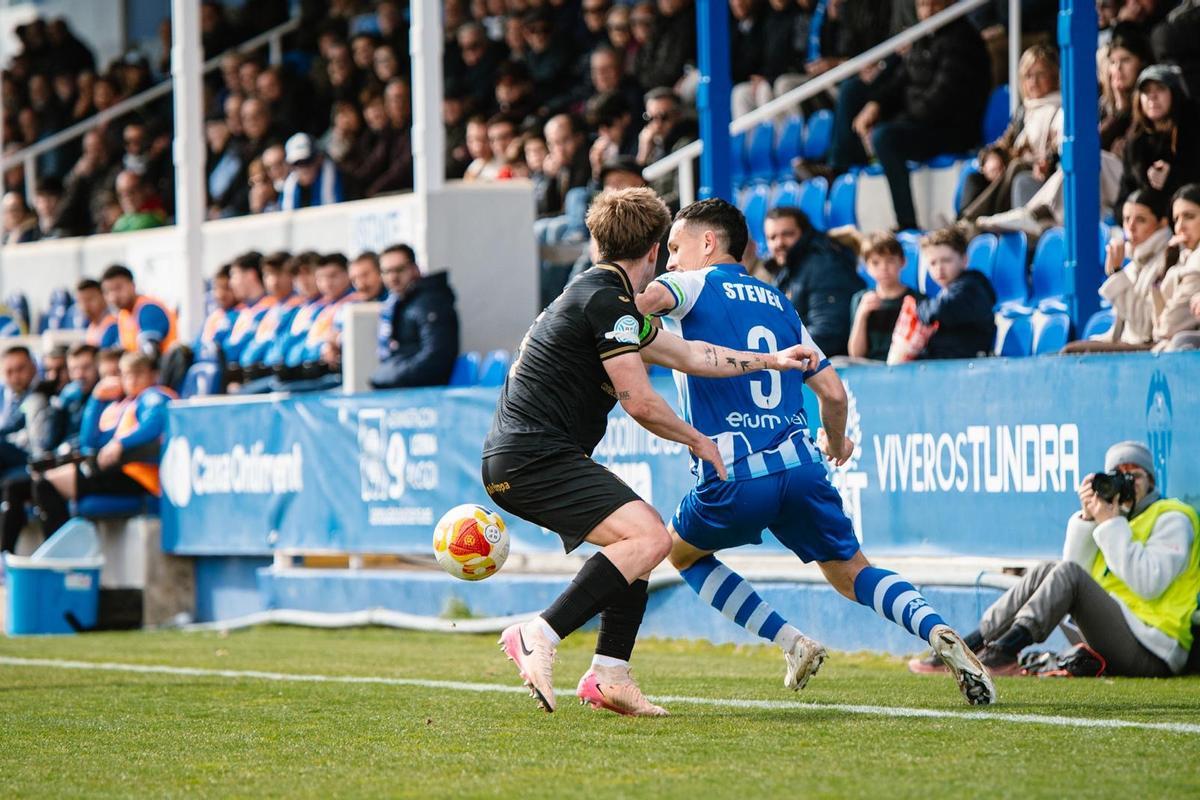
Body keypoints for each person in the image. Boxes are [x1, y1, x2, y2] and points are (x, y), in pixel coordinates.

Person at [634, 198, 995, 706]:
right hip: (802, 468)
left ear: (708, 243)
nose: (670, 260)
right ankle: (936, 630)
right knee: (853, 574)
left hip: (734, 474)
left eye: (676, 247)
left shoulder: (688, 285)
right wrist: (836, 440)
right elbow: (834, 393)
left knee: (679, 552)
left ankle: (791, 641)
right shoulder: (780, 304)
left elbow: (631, 311)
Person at [485, 187, 816, 717]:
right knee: (650, 536)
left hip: (526, 457)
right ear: (657, 250)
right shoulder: (604, 297)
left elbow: (688, 353)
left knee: (638, 540)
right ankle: (539, 633)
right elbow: (637, 399)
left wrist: (770, 360)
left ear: (597, 243)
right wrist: (697, 438)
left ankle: (610, 675)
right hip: (533, 456)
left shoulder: (604, 295)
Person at [910, 441, 1198, 678]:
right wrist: (1087, 519)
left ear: (1151, 481)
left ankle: (1007, 650)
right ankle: (969, 645)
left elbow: (1148, 584)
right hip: (1120, 636)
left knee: (1067, 574)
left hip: (1154, 650)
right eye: (1117, 476)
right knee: (1050, 569)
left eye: (1135, 475)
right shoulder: (1114, 520)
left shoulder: (1172, 518)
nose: (1127, 483)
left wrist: (1109, 524)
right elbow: (1070, 575)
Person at [831, 0, 991, 230]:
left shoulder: (962, 41)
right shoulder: (925, 36)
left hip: (953, 129)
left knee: (885, 137)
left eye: (935, 4)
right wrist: (876, 105)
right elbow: (901, 80)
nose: (928, 11)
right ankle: (841, 168)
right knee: (854, 92)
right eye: (923, 5)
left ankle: (906, 221)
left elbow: (940, 101)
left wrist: (892, 120)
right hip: (921, 120)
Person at [33, 352, 173, 538]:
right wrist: (96, 399)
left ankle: (65, 553)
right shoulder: (129, 404)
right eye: (126, 374)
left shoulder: (155, 395)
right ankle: (62, 549)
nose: (132, 379)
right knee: (43, 482)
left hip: (144, 478)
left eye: (139, 373)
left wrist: (120, 443)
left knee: (47, 484)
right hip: (123, 472)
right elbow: (90, 443)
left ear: (154, 374)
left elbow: (156, 423)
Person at [959, 45, 1062, 222]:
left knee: (1016, 167)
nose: (1033, 82)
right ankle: (963, 221)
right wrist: (992, 158)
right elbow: (1003, 143)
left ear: (1053, 76)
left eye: (1040, 74)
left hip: (1040, 172)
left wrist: (1047, 161)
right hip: (1012, 173)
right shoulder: (1024, 112)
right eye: (1028, 76)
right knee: (974, 177)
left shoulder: (1061, 109)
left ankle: (969, 223)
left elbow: (1057, 149)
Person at [1064, 189, 1172, 352]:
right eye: (1127, 219)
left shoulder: (1167, 260)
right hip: (1129, 342)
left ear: (1162, 223)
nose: (1131, 227)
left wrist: (1116, 273)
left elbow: (1144, 328)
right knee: (1075, 349)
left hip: (1148, 347)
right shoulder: (1135, 263)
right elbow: (1120, 327)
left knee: (1072, 351)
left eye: (1141, 220)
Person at [762, 207, 864, 357]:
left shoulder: (824, 265)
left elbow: (827, 335)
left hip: (830, 366)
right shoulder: (786, 270)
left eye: (787, 234)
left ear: (804, 233)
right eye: (772, 237)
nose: (779, 243)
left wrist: (778, 355)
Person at [370, 245, 460, 389]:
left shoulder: (430, 303)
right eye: (387, 271)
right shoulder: (400, 302)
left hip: (428, 394)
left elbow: (436, 358)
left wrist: (390, 376)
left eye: (399, 269)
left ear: (415, 268)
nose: (393, 277)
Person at [1116, 64, 1200, 210]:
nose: (1152, 97)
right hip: (1146, 224)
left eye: (1160, 89)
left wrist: (1173, 179)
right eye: (1146, 91)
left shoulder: (1193, 131)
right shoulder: (1135, 140)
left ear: (1175, 94)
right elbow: (1124, 196)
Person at [915, 228, 996, 359]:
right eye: (933, 263)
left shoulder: (972, 286)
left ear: (964, 260)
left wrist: (919, 308)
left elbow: (941, 309)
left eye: (946, 260)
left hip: (967, 366)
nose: (939, 268)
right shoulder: (948, 290)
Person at [848, 233, 922, 361]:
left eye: (890, 261)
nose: (884, 268)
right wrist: (862, 315)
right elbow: (856, 354)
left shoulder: (917, 300)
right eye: (875, 263)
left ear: (903, 262)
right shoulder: (860, 299)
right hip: (870, 368)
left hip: (905, 367)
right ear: (867, 267)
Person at [101, 265, 178, 359]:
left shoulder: (148, 309)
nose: (113, 296)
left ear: (132, 285)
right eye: (108, 291)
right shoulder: (123, 315)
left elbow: (150, 355)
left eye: (118, 288)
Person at [279, 133, 346, 210]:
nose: (303, 168)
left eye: (307, 161)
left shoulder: (342, 181)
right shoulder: (287, 188)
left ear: (318, 159)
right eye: (297, 164)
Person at [76, 278, 119, 349]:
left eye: (89, 299)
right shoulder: (92, 327)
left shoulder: (113, 324)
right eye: (80, 301)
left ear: (104, 297)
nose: (85, 306)